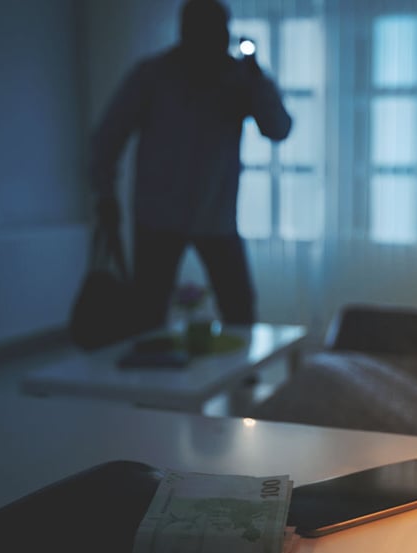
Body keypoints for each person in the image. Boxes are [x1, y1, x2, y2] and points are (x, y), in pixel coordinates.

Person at [89, 0, 291, 331]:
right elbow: (108, 136)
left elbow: (279, 128)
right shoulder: (153, 76)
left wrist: (256, 80)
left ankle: (245, 381)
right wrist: (104, 193)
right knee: (148, 316)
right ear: (186, 32)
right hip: (160, 217)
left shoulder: (239, 78)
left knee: (238, 309)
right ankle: (148, 380)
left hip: (214, 216)